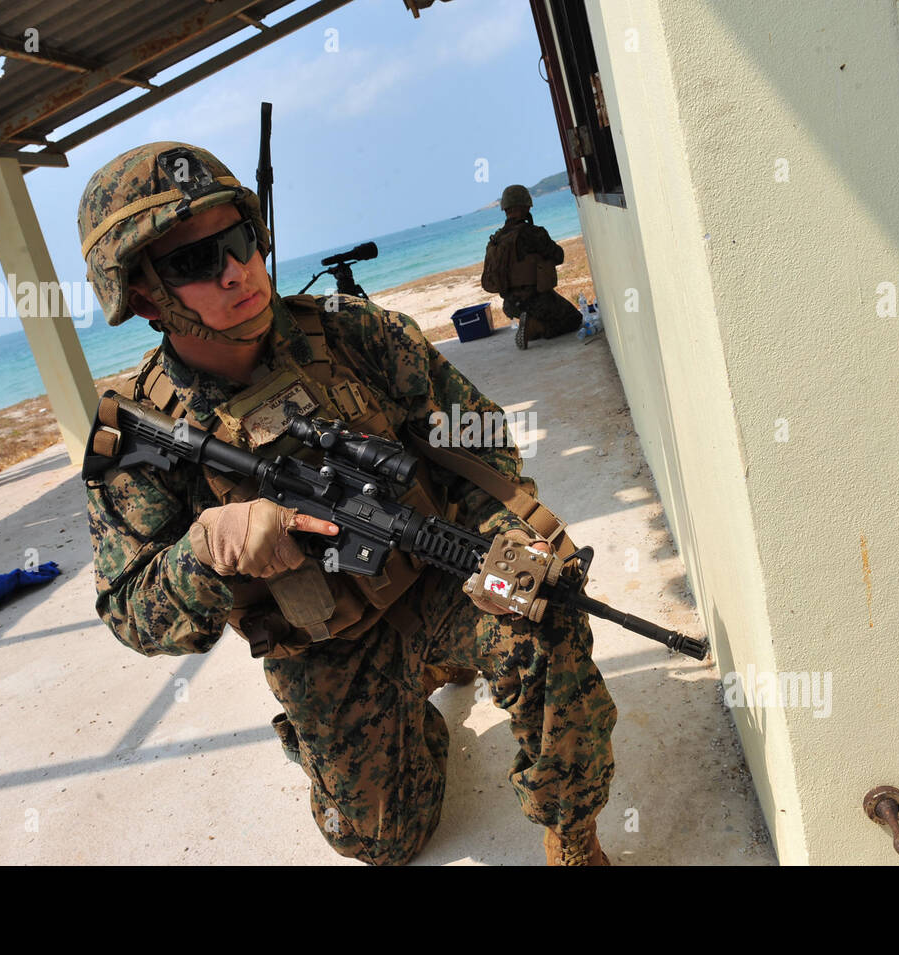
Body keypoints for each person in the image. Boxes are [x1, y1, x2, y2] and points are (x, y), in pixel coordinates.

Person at [78, 143, 617, 866]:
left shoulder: (354, 332)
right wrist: (204, 551)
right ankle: (379, 718)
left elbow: (482, 442)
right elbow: (130, 613)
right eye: (192, 262)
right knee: (383, 839)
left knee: (543, 607)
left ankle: (571, 829)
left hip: (435, 572)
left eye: (238, 241)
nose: (236, 271)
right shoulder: (142, 430)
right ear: (142, 295)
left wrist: (499, 544)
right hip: (324, 641)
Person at [480, 184, 584, 350]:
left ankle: (531, 324)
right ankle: (537, 326)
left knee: (537, 326)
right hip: (536, 300)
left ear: (505, 209)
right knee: (573, 319)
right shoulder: (533, 233)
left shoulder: (496, 239)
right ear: (526, 206)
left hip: (510, 305)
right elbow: (559, 256)